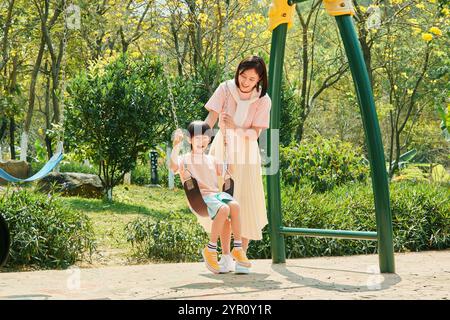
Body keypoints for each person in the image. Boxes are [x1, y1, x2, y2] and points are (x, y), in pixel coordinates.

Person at [203, 56, 271, 273]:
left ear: (260, 79)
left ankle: (241, 253)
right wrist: (197, 141)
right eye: (243, 76)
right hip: (222, 151)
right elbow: (210, 119)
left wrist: (234, 127)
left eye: (252, 78)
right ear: (238, 72)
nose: (246, 81)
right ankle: (224, 256)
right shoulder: (225, 89)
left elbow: (255, 133)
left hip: (247, 156)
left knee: (246, 202)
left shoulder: (263, 100)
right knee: (223, 201)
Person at [169, 121, 251, 274]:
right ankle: (211, 249)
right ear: (190, 140)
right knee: (224, 208)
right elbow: (173, 167)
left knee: (234, 206)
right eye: (198, 138)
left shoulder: (212, 159)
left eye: (206, 138)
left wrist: (230, 147)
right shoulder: (185, 159)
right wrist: (175, 146)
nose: (202, 141)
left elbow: (230, 170)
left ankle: (238, 248)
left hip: (215, 196)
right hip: (200, 198)